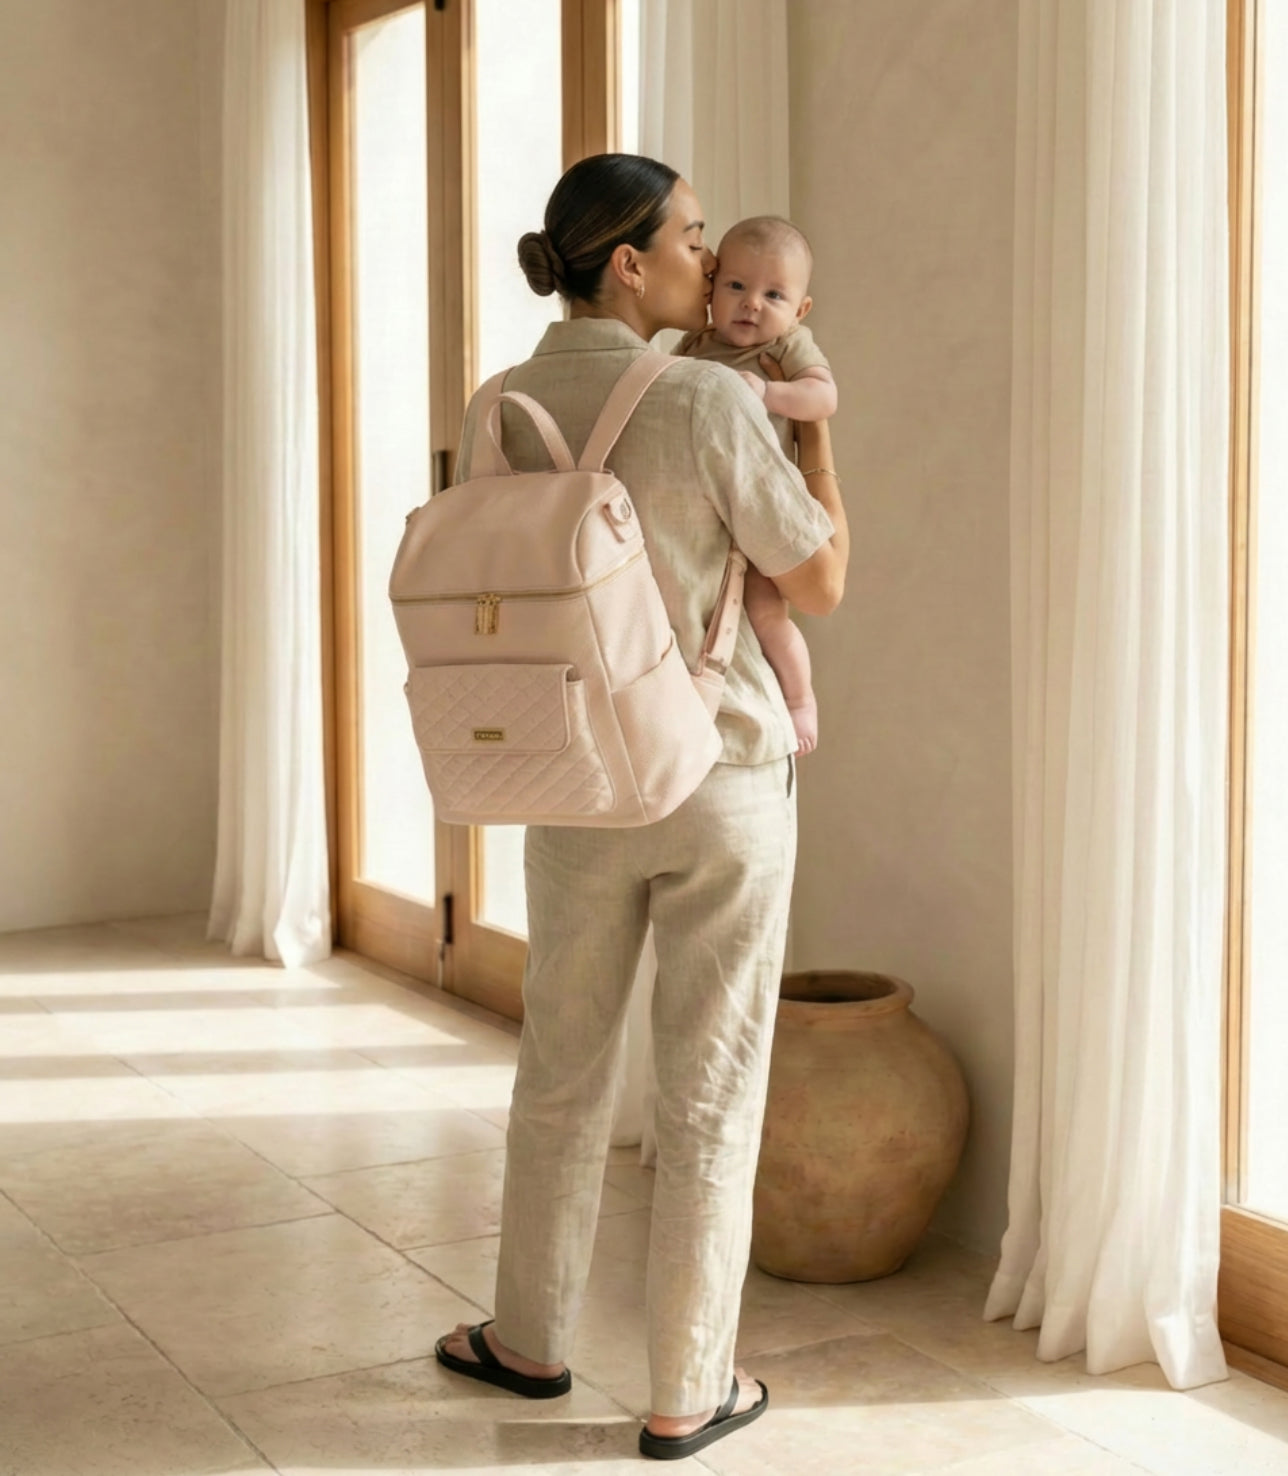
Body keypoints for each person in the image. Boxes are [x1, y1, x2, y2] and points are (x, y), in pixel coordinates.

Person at [434, 154, 848, 1463]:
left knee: (560, 1070)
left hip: (572, 780)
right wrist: (823, 428)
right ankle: (687, 1388)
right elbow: (821, 578)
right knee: (709, 1090)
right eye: (688, 238)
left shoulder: (495, 404)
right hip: (718, 774)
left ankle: (527, 1341)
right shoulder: (707, 401)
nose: (703, 258)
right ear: (628, 264)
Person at [678, 216, 838, 756]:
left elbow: (824, 398)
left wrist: (770, 394)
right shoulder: (693, 345)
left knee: (768, 616)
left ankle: (799, 700)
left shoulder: (790, 347)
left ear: (800, 310)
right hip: (708, 513)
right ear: (714, 287)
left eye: (773, 294)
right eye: (737, 287)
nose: (751, 304)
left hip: (765, 509)